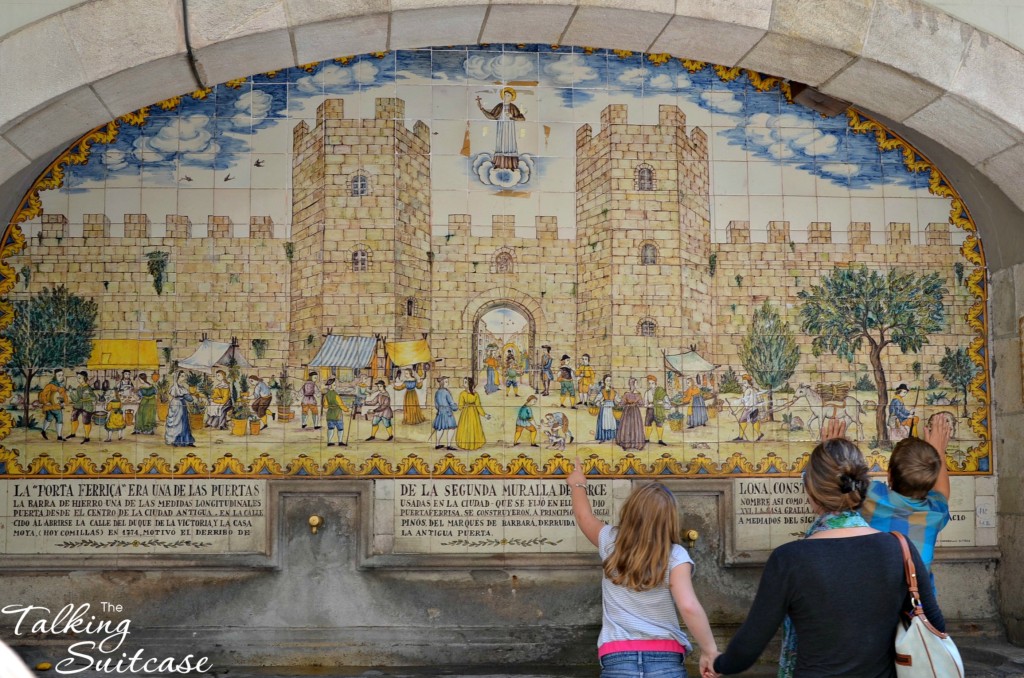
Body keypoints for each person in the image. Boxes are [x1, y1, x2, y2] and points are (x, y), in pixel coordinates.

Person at [709, 419, 946, 678]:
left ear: (810, 490)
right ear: (863, 485)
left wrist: (718, 664)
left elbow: (747, 649)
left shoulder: (789, 559)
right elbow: (935, 625)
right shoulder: (899, 549)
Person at [567, 461, 719, 678]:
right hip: (665, 659)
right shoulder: (675, 555)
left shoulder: (610, 541)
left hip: (617, 657)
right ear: (670, 520)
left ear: (629, 511)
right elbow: (688, 606)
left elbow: (584, 517)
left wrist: (577, 485)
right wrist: (709, 650)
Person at [859, 413, 952, 575]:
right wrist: (939, 451)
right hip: (915, 598)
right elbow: (942, 492)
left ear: (889, 476)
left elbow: (838, 482)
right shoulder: (935, 512)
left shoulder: (871, 496)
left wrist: (831, 448)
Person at [455, 377, 490, 450]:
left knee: (467, 427)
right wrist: (484, 415)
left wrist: (484, 414)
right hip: (473, 413)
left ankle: (466, 445)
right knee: (472, 427)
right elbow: (478, 406)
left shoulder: (462, 394)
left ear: (469, 384)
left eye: (465, 382)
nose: (463, 384)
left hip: (466, 413)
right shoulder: (475, 394)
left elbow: (460, 407)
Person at [164, 371, 196, 447]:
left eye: (184, 376)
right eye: (182, 376)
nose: (184, 377)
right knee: (176, 422)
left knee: (184, 423)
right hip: (176, 405)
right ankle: (176, 440)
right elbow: (176, 394)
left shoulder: (183, 388)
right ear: (177, 377)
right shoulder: (174, 388)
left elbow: (189, 398)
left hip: (182, 405)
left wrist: (191, 398)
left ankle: (187, 440)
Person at [616, 377, 645, 451]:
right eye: (635, 383)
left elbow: (622, 403)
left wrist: (621, 403)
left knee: (628, 426)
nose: (636, 384)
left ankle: (628, 444)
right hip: (634, 412)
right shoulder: (636, 394)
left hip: (628, 411)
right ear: (633, 384)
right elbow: (641, 404)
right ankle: (633, 444)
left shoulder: (628, 394)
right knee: (633, 426)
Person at [66, 370, 96, 444]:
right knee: (73, 418)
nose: (78, 379)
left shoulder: (88, 388)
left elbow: (94, 398)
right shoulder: (79, 388)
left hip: (87, 407)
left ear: (84, 378)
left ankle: (87, 437)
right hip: (78, 405)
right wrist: (70, 392)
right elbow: (76, 399)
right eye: (77, 378)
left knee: (86, 422)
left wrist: (87, 397)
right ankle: (73, 433)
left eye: (79, 378)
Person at [38, 368, 67, 441]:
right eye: (59, 375)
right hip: (50, 406)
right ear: (55, 376)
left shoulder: (61, 387)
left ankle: (58, 436)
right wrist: (45, 402)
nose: (61, 377)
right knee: (50, 419)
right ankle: (44, 431)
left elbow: (64, 396)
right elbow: (43, 394)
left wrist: (64, 402)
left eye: (62, 375)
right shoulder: (50, 385)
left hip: (57, 406)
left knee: (56, 419)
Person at [734, 375, 766, 442]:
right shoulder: (753, 389)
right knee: (754, 422)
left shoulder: (748, 391)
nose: (743, 384)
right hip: (755, 409)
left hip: (749, 409)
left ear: (748, 382)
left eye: (745, 382)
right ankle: (759, 434)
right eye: (743, 382)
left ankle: (740, 437)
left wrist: (736, 411)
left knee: (742, 421)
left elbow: (743, 402)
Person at [432, 376, 459, 450]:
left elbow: (436, 405)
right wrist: (456, 407)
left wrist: (440, 409)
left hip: (440, 412)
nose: (447, 383)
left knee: (440, 428)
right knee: (451, 428)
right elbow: (451, 403)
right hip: (447, 412)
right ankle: (449, 445)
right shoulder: (446, 392)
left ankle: (437, 444)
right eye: (446, 382)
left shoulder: (437, 392)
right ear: (442, 383)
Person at [322, 378, 351, 447]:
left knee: (330, 428)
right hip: (337, 415)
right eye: (334, 385)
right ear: (331, 386)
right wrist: (347, 409)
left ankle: (329, 442)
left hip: (329, 414)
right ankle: (340, 442)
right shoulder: (336, 395)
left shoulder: (326, 395)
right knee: (340, 428)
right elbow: (341, 405)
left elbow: (325, 406)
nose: (335, 386)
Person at [644, 375, 670, 446]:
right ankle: (647, 439)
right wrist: (648, 405)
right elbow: (645, 403)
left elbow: (667, 403)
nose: (651, 385)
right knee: (647, 424)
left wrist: (662, 403)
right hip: (650, 411)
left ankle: (660, 440)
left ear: (655, 383)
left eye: (652, 383)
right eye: (649, 383)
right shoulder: (647, 392)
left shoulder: (660, 391)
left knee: (659, 425)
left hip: (659, 410)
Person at [595, 375, 617, 443]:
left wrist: (618, 402)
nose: (609, 382)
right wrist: (601, 402)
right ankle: (603, 437)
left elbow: (617, 399)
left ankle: (611, 436)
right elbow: (596, 400)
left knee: (611, 422)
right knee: (604, 423)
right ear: (604, 381)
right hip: (604, 409)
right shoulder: (602, 391)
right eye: (607, 380)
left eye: (610, 380)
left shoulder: (613, 391)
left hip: (611, 409)